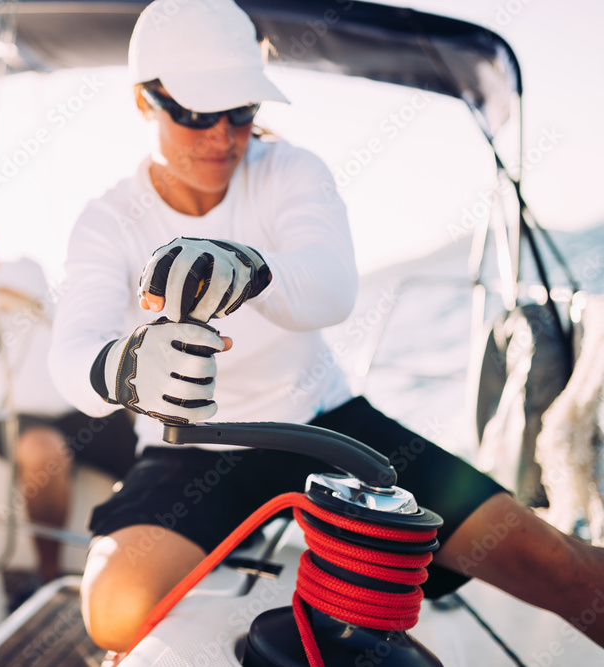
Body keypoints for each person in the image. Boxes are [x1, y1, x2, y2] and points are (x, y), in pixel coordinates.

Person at [47, 0, 604, 655]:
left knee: (560, 570)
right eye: (197, 114)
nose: (222, 137)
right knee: (112, 611)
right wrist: (123, 367)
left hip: (325, 424)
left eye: (242, 112)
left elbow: (331, 284)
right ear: (145, 103)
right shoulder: (107, 219)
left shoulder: (290, 170)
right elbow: (72, 352)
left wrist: (251, 269)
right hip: (187, 449)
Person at [0, 197, 139, 589]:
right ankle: (49, 576)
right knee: (44, 453)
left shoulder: (23, 269)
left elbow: (42, 310)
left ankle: (141, 565)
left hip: (74, 406)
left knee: (146, 456)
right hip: (14, 416)